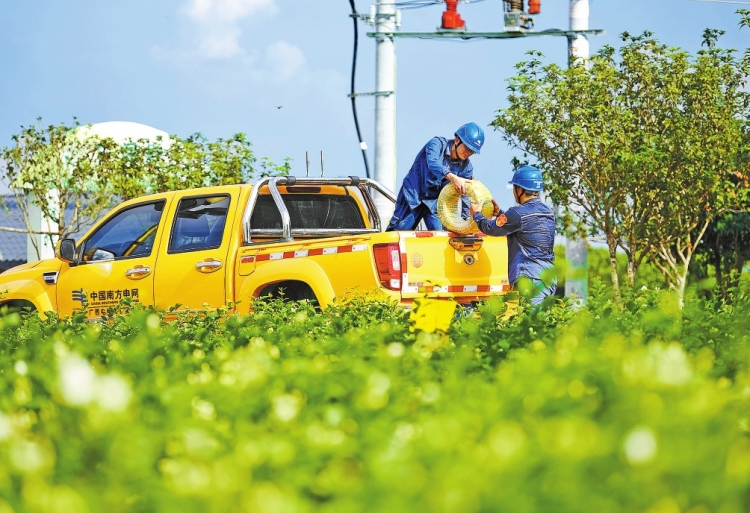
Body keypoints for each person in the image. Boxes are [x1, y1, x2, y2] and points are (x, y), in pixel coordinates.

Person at [469, 165, 556, 305]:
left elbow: (491, 229)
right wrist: (500, 214)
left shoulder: (517, 213)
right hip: (548, 277)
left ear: (520, 190)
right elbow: (522, 225)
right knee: (543, 322)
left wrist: (477, 215)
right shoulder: (548, 212)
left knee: (531, 323)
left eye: (514, 188)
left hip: (530, 277)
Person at [386, 122, 485, 231]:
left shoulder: (467, 168)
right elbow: (433, 163)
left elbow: (465, 193)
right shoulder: (436, 144)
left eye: (472, 151)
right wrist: (453, 177)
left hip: (434, 203)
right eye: (467, 148)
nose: (469, 153)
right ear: (457, 140)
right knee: (399, 233)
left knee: (441, 237)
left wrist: (466, 218)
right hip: (413, 195)